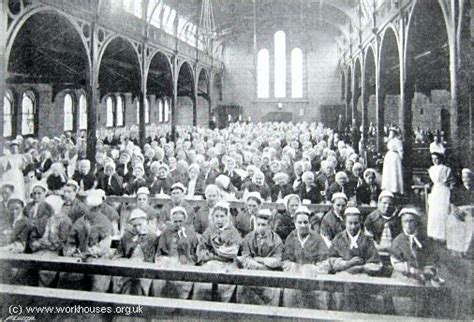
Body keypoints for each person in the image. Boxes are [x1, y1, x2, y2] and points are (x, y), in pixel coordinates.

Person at [329, 207, 383, 312]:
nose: (353, 226)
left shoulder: (367, 240)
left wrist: (362, 268)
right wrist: (347, 264)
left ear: (360, 223)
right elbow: (331, 260)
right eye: (350, 223)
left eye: (356, 223)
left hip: (363, 275)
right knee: (340, 293)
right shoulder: (338, 238)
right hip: (343, 274)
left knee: (366, 294)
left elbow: (376, 263)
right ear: (345, 222)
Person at [390, 207, 439, 316]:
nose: (408, 225)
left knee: (429, 294)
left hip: (423, 275)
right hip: (404, 275)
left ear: (416, 222)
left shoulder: (425, 240)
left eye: (411, 221)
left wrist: (428, 270)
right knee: (405, 297)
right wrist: (412, 271)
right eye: (405, 221)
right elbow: (396, 262)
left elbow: (432, 258)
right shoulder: (398, 241)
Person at [281, 206, 331, 309]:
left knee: (318, 295)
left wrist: (312, 269)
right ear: (295, 223)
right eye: (299, 222)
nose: (303, 225)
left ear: (309, 223)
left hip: (313, 277)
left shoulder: (317, 238)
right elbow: (285, 261)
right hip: (295, 275)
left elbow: (325, 262)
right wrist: (297, 268)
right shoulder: (291, 237)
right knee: (290, 293)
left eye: (305, 222)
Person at [62, 194, 113, 292]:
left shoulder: (104, 223)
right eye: (89, 209)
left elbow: (105, 244)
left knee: (99, 280)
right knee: (70, 277)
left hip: (98, 257)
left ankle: (96, 303)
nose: (89, 211)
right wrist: (73, 252)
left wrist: (91, 252)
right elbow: (71, 241)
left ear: (98, 208)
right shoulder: (79, 222)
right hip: (79, 256)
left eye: (93, 209)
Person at [192, 201, 242, 302]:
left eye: (222, 216)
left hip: (227, 264)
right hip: (209, 262)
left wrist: (214, 256)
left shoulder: (233, 232)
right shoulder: (209, 230)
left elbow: (231, 253)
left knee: (225, 284)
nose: (219, 219)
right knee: (203, 283)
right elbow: (201, 248)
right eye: (217, 216)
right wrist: (206, 256)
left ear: (227, 217)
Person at [236, 209, 283, 306]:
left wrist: (260, 259)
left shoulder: (276, 239)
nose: (261, 228)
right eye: (259, 224)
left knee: (273, 290)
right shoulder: (249, 237)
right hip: (252, 270)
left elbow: (277, 260)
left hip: (269, 272)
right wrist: (258, 265)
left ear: (270, 226)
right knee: (243, 287)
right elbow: (245, 258)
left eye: (264, 225)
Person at [153, 206, 198, 299]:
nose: (178, 224)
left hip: (186, 261)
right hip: (168, 260)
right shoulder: (166, 232)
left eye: (180, 221)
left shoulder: (190, 233)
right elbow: (160, 251)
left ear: (185, 220)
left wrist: (187, 256)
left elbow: (194, 252)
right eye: (175, 221)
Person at [30, 195, 72, 287]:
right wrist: (40, 243)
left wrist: (44, 244)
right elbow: (45, 236)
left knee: (46, 266)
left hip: (59, 251)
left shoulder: (65, 221)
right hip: (48, 248)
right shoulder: (51, 219)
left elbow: (61, 242)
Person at [113, 208, 157, 295]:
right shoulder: (127, 236)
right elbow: (119, 254)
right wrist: (124, 261)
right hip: (128, 266)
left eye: (139, 225)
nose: (137, 228)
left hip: (145, 268)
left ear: (145, 223)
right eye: (134, 225)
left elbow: (153, 257)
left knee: (142, 283)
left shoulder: (152, 237)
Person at [446, 168, 473, 257]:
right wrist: (455, 212)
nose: (465, 180)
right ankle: (457, 250)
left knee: (471, 223)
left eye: (467, 177)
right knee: (453, 221)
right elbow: (452, 204)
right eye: (463, 177)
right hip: (459, 211)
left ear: (471, 178)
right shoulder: (457, 190)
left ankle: (467, 250)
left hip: (471, 212)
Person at [426, 152, 452, 242]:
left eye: (436, 158)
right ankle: (434, 233)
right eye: (433, 159)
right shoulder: (431, 169)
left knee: (442, 211)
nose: (434, 161)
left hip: (443, 190)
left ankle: (443, 234)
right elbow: (430, 181)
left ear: (440, 158)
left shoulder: (446, 169)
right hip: (435, 190)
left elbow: (450, 181)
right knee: (434, 212)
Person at [381, 128, 404, 195]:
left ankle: (395, 188)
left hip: (394, 157)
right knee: (388, 172)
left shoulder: (398, 141)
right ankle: (388, 187)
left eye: (392, 132)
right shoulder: (390, 140)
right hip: (389, 157)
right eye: (390, 132)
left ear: (395, 133)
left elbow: (401, 150)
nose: (391, 134)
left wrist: (400, 158)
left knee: (394, 172)